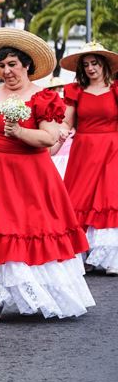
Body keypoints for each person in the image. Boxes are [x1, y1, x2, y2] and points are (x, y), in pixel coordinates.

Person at [0, 28, 93, 319]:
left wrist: (20, 131)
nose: (7, 71)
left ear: (27, 65)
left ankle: (31, 291)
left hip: (29, 173)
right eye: (2, 66)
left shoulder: (43, 97)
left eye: (12, 64)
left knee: (27, 228)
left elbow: (50, 138)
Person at [59, 42, 118, 275]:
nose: (91, 68)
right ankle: (84, 255)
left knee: (109, 198)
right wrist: (60, 132)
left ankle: (111, 257)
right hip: (84, 150)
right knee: (79, 199)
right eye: (86, 65)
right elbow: (67, 121)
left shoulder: (116, 89)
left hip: (113, 148)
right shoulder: (75, 91)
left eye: (94, 63)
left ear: (104, 64)